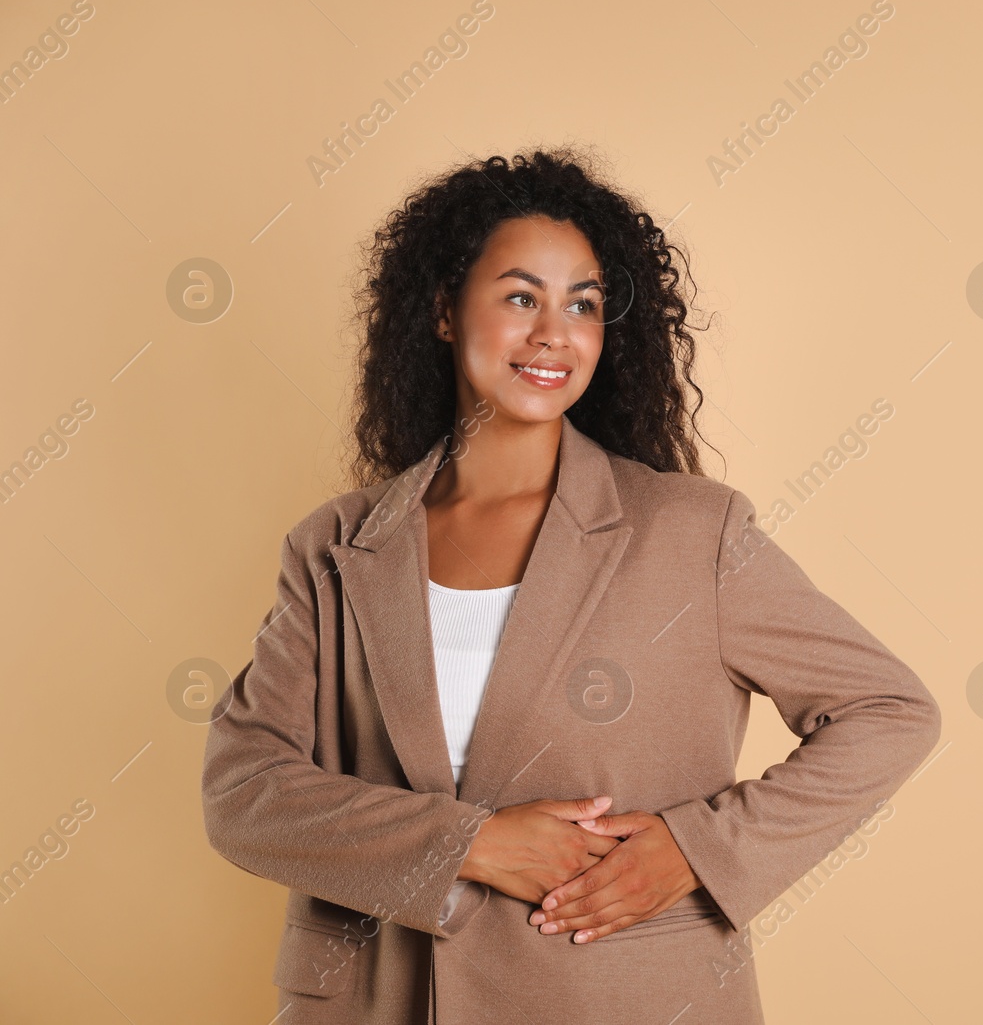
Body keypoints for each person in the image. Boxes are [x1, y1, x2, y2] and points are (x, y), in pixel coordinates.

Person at [199, 146, 942, 1024]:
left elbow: (890, 710)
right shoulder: (334, 545)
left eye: (582, 304)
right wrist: (469, 845)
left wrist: (697, 850)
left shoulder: (693, 533)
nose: (555, 332)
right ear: (443, 311)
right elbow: (245, 789)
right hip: (378, 998)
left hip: (617, 996)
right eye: (521, 297)